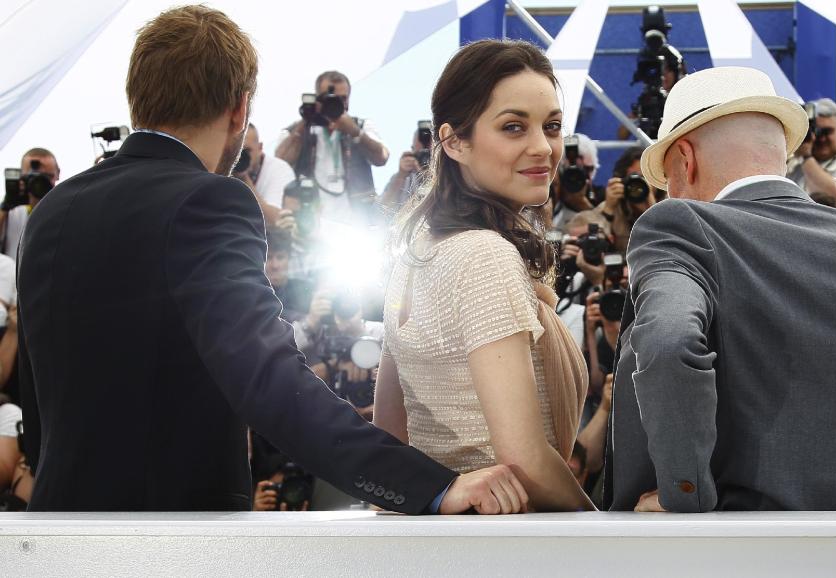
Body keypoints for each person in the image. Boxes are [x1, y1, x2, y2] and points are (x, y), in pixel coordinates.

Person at [16, 5, 525, 514]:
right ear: (239, 110)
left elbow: (36, 399)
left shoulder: (52, 209)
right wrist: (429, 486)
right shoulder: (210, 199)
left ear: (137, 102)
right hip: (173, 535)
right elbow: (268, 377)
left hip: (57, 520)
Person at [604, 66, 836, 512]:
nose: (668, 195)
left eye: (666, 180)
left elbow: (668, 343)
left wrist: (683, 495)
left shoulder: (681, 224)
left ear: (685, 158)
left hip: (737, 550)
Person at [373, 39, 594, 512]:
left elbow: (389, 433)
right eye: (513, 127)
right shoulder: (482, 257)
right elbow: (525, 460)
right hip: (505, 540)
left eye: (552, 126)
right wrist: (602, 535)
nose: (543, 148)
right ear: (454, 141)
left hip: (447, 537)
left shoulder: (415, 252)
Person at [275, 70, 388, 224]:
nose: (337, 103)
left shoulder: (361, 126)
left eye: (343, 98)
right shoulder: (297, 129)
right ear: (317, 99)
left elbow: (382, 157)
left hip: (357, 222)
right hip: (311, 222)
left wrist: (355, 132)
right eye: (329, 98)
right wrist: (306, 122)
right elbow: (280, 162)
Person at [785, 98, 836, 204]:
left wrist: (806, 157)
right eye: (817, 132)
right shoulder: (793, 166)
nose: (821, 139)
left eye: (827, 132)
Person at [1, 148, 59, 260]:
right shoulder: (12, 213)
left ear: (58, 174)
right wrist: (4, 208)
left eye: (47, 177)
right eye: (33, 177)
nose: (40, 183)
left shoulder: (67, 207)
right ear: (21, 175)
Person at [233, 122, 294, 226]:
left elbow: (276, 221)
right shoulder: (222, 166)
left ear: (260, 148)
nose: (239, 157)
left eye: (246, 151)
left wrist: (243, 178)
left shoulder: (278, 169)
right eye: (235, 151)